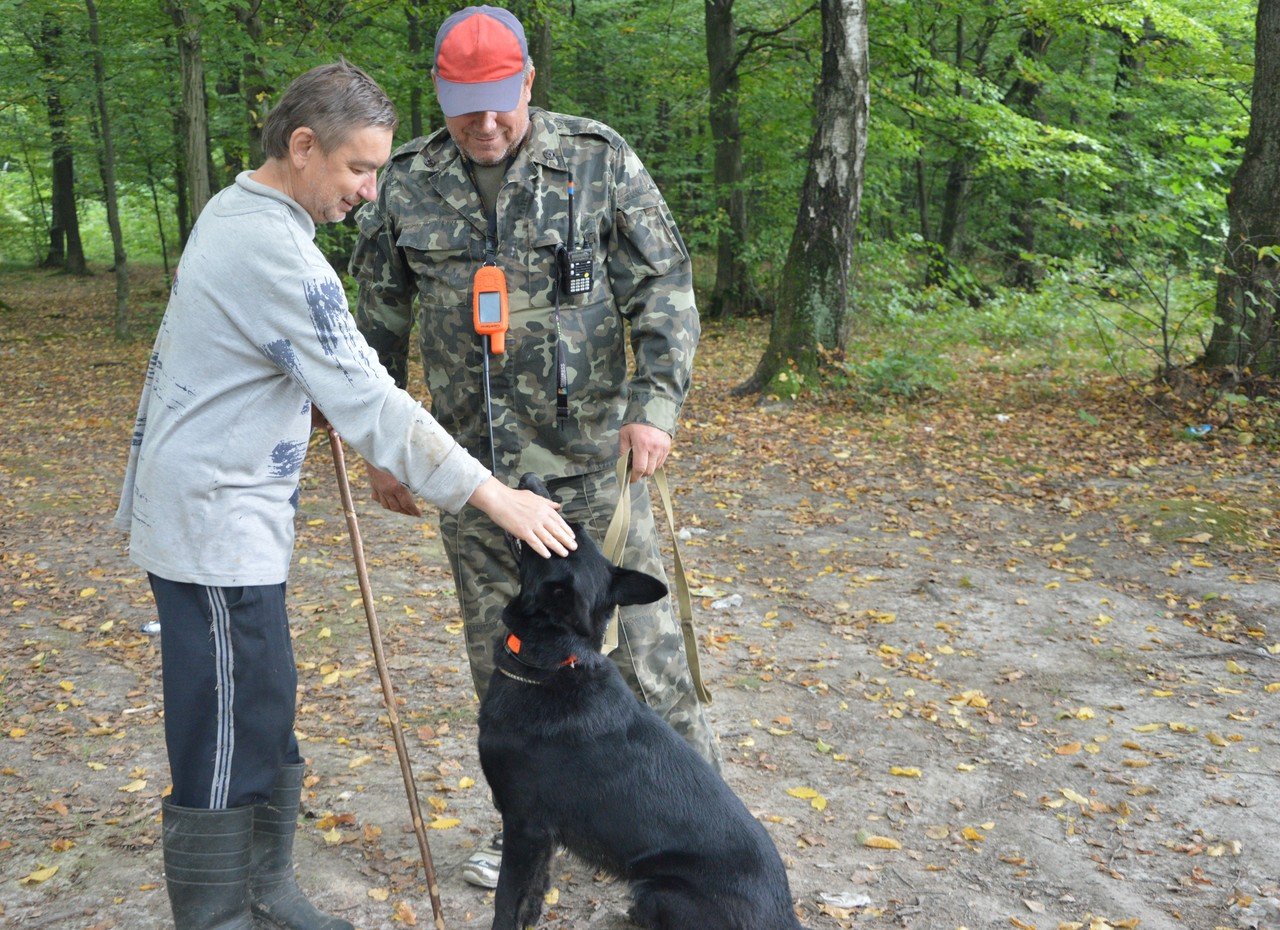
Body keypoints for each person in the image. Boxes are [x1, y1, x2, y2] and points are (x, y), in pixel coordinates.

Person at [114, 60, 574, 930]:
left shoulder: (245, 211)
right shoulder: (270, 246)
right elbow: (373, 400)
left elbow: (276, 365)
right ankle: (216, 917)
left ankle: (267, 889)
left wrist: (302, 389)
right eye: (359, 168)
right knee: (223, 732)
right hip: (209, 525)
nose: (370, 189)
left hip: (237, 519)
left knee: (265, 706)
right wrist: (495, 498)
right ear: (301, 146)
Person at [350, 5, 719, 889]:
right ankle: (526, 828)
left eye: (499, 104)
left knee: (644, 651)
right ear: (440, 98)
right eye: (463, 107)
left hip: (592, 468)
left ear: (527, 86)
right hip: (474, 481)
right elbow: (372, 333)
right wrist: (384, 449)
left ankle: (699, 821)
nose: (484, 125)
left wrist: (655, 407)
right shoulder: (405, 183)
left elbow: (663, 288)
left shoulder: (596, 160)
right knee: (506, 666)